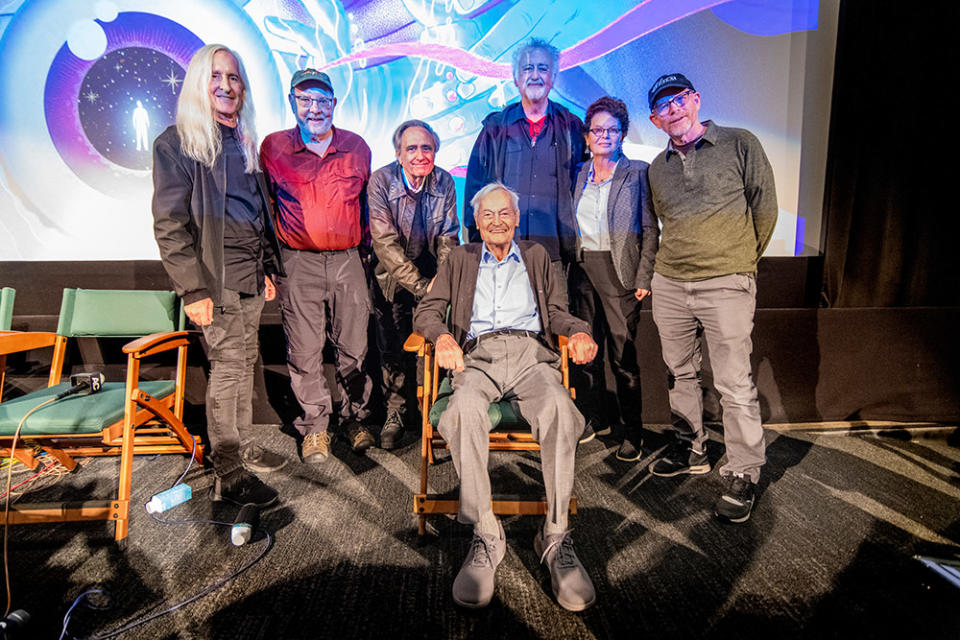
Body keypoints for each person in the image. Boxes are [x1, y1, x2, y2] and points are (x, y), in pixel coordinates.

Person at [414, 182, 599, 612]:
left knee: (560, 408)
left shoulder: (536, 257)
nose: (496, 221)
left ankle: (554, 536)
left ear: (516, 219)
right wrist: (441, 336)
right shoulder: (459, 258)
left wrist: (578, 330)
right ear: (475, 223)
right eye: (487, 215)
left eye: (504, 214)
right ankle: (486, 534)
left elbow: (555, 313)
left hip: (532, 355)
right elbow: (426, 311)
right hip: (478, 356)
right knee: (460, 411)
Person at [152, 44, 285, 507]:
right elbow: (169, 224)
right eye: (216, 77)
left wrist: (267, 267)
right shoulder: (179, 142)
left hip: (249, 274)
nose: (226, 86)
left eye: (233, 78)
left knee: (243, 363)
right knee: (228, 368)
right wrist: (192, 289)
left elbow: (256, 213)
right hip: (215, 278)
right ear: (198, 84)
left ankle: (240, 448)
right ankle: (228, 470)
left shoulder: (245, 141)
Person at [643, 73, 778, 523]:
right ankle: (691, 448)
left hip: (726, 283)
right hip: (670, 283)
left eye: (680, 99)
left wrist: (739, 263)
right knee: (679, 374)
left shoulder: (741, 143)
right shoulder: (655, 168)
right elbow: (664, 223)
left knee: (734, 384)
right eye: (664, 106)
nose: (674, 109)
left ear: (696, 100)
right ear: (655, 120)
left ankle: (744, 471)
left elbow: (766, 209)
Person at [260, 69, 376, 463]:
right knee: (305, 351)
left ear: (334, 104)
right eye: (305, 99)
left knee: (355, 347)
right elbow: (265, 208)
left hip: (348, 260)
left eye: (322, 100)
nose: (315, 108)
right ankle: (315, 428)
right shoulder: (273, 147)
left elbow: (366, 209)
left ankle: (355, 419)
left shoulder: (358, 147)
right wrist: (265, 264)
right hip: (298, 262)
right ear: (293, 102)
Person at [569, 96, 658, 459]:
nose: (604, 135)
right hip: (582, 270)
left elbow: (651, 230)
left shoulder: (637, 172)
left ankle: (632, 432)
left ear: (621, 135)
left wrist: (644, 277)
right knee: (587, 352)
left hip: (621, 274)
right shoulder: (576, 173)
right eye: (597, 129)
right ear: (587, 136)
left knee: (623, 357)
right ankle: (596, 418)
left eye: (612, 129)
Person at [367, 120, 460, 449]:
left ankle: (430, 413)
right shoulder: (381, 181)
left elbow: (449, 236)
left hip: (432, 279)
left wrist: (443, 282)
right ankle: (395, 412)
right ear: (398, 154)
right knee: (392, 349)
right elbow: (385, 245)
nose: (420, 154)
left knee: (430, 349)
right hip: (391, 279)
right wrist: (423, 286)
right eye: (412, 148)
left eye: (427, 148)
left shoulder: (444, 180)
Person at [464, 38, 585, 280]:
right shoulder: (495, 128)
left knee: (553, 317)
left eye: (543, 68)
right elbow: (474, 189)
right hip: (502, 249)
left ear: (554, 76)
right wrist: (478, 242)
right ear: (515, 77)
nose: (535, 75)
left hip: (553, 253)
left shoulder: (571, 127)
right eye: (527, 68)